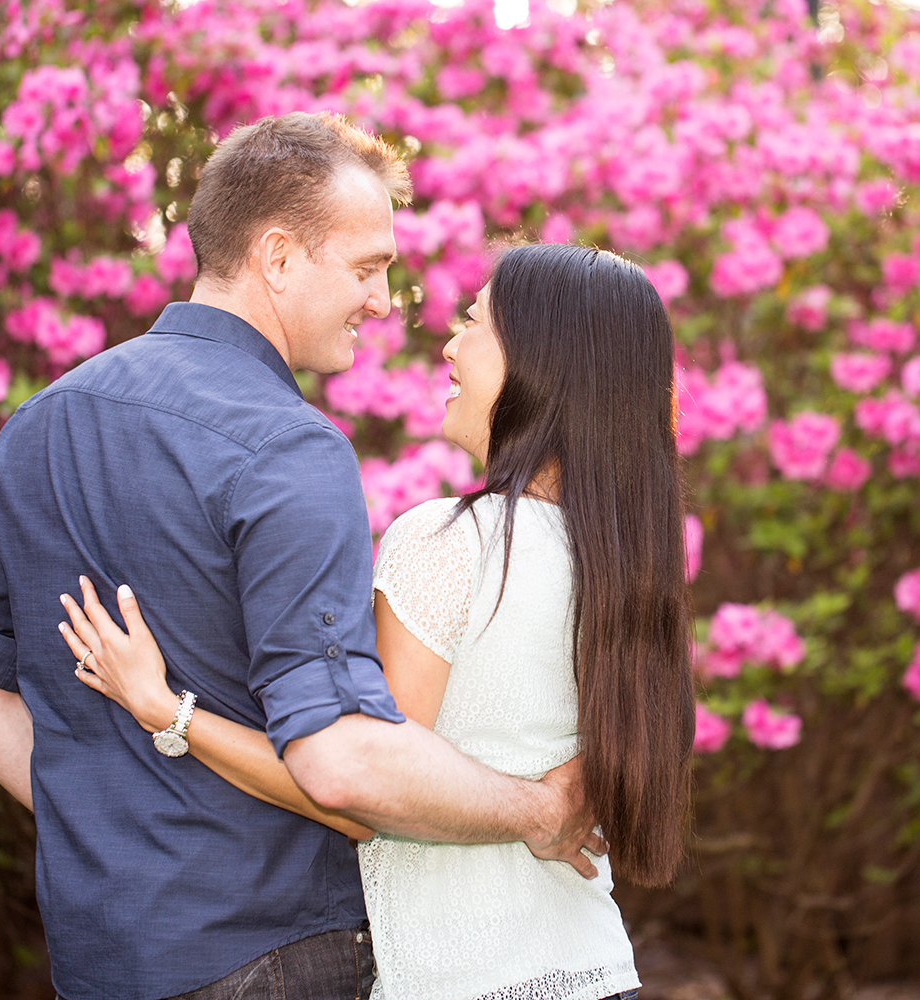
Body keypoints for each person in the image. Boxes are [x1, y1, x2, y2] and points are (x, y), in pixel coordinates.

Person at [0, 113, 601, 1000]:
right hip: (277, 954)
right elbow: (342, 763)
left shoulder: (39, 424)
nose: (381, 302)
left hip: (98, 959)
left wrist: (105, 832)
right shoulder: (289, 449)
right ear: (277, 258)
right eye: (367, 269)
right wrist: (539, 810)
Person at [59, 243, 697, 1000]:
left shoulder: (450, 542)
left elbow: (357, 782)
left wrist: (169, 711)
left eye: (474, 321)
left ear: (542, 361)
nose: (451, 345)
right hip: (595, 969)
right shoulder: (627, 564)